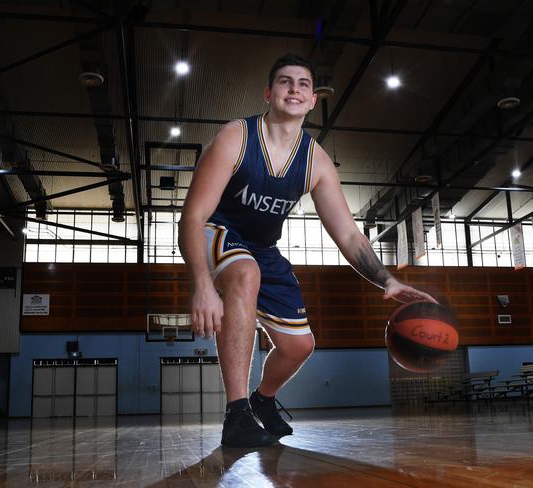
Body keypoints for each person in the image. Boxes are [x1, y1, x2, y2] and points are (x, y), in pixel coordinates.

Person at [178, 53, 436, 448]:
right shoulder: (236, 137)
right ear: (268, 93)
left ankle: (262, 400)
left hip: (262, 249)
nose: (294, 89)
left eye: (303, 84)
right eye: (284, 81)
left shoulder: (315, 160)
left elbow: (349, 235)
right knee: (245, 273)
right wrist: (202, 285)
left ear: (313, 100)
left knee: (300, 346)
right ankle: (236, 416)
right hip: (218, 231)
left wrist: (387, 279)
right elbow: (192, 217)